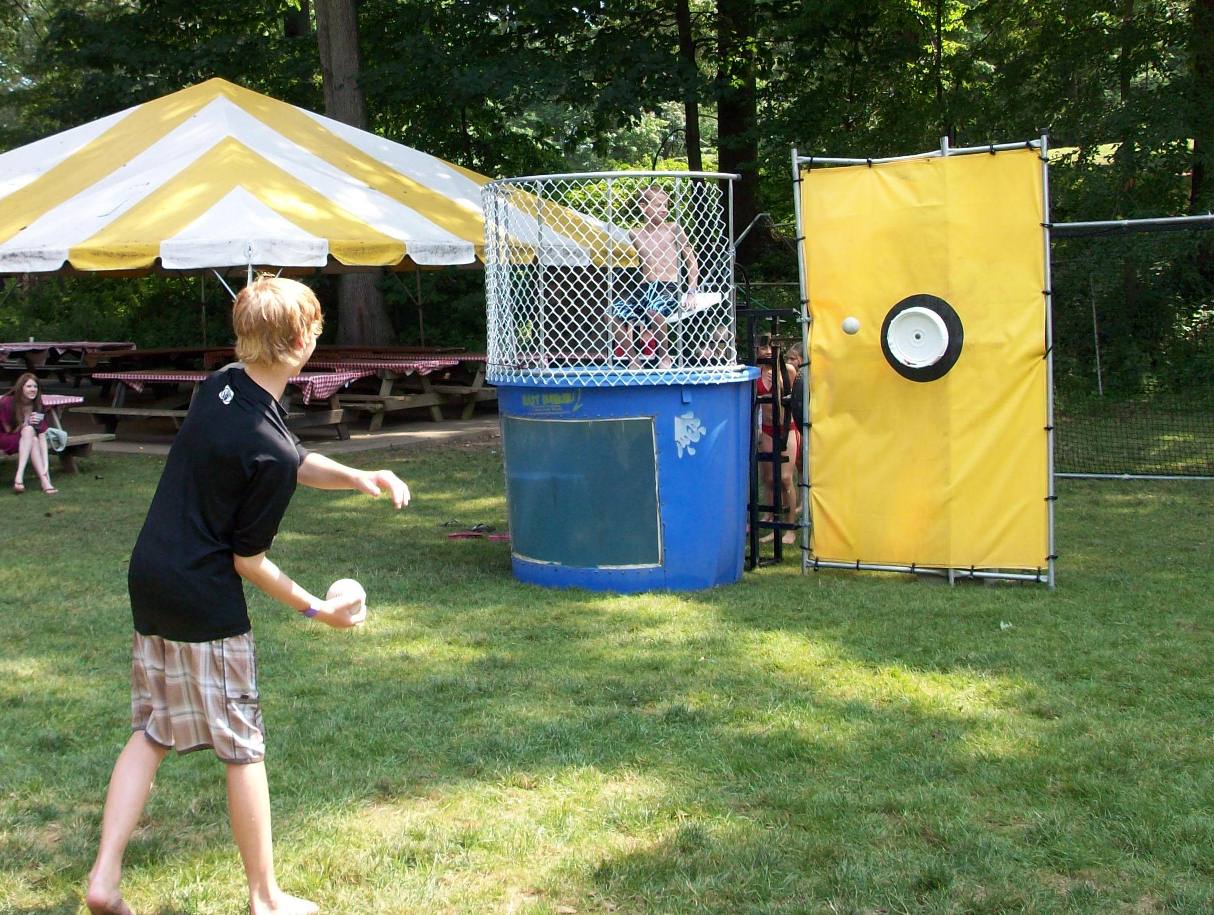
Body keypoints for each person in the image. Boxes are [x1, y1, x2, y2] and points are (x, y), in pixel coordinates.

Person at [84, 277, 410, 915]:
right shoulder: (267, 446)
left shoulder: (223, 384)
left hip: (151, 575)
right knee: (243, 746)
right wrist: (319, 609)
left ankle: (104, 879)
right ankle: (265, 898)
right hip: (203, 594)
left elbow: (290, 456)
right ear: (300, 341)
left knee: (153, 730)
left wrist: (357, 476)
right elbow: (249, 560)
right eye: (313, 329)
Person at [611, 186, 699, 370]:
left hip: (668, 286)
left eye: (666, 205)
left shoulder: (674, 229)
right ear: (644, 207)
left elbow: (691, 261)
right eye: (659, 205)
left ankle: (664, 356)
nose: (664, 209)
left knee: (654, 309)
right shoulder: (635, 233)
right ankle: (633, 359)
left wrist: (692, 291)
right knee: (611, 313)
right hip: (644, 287)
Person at [755, 335, 799, 545]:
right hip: (766, 430)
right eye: (762, 347)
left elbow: (796, 400)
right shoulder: (755, 373)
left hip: (787, 428)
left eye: (770, 347)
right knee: (770, 479)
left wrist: (780, 386)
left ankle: (790, 529)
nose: (766, 351)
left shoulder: (787, 370)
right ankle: (774, 524)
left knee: (785, 478)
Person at [1, 372, 57, 494]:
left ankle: (31, 479)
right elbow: (8, 429)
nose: (33, 389)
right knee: (29, 432)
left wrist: (46, 466)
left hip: (25, 438)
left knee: (33, 438)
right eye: (29, 386)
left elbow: (42, 435)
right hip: (5, 436)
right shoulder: (7, 402)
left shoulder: (37, 404)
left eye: (35, 386)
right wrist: (27, 423)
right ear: (20, 387)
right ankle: (42, 482)